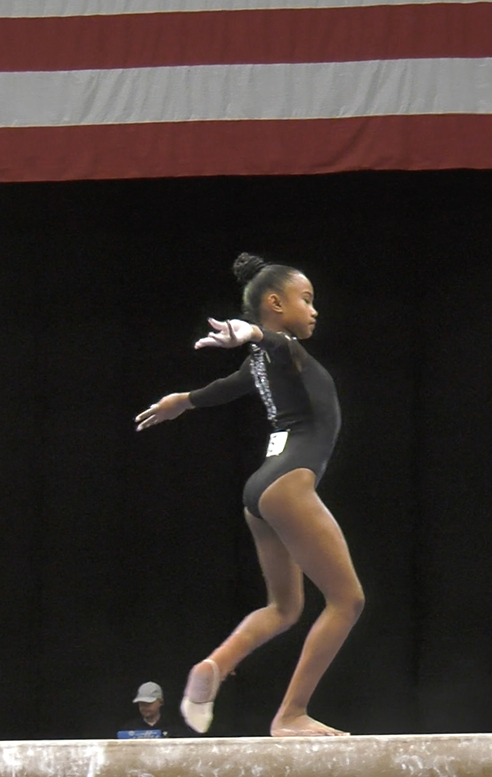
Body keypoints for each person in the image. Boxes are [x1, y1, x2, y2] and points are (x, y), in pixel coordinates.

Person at [137, 253, 363, 738]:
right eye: (307, 299)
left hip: (261, 488)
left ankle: (214, 668)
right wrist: (255, 332)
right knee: (347, 600)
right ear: (275, 303)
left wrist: (185, 400)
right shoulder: (282, 350)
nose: (314, 309)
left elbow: (229, 385)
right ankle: (291, 715)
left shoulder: (265, 362)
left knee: (285, 608)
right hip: (289, 484)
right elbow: (275, 345)